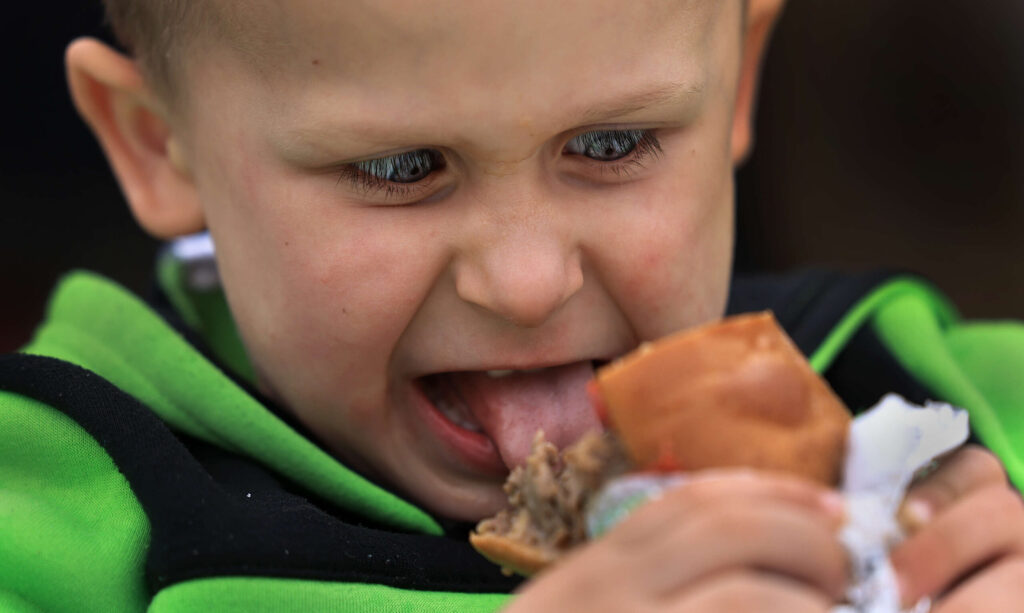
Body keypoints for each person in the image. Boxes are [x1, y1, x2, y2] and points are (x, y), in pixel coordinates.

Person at [2, 0, 1022, 611]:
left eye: (612, 145)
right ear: (156, 144)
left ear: (737, 82)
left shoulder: (927, 387)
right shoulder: (51, 506)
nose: (531, 285)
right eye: (403, 167)